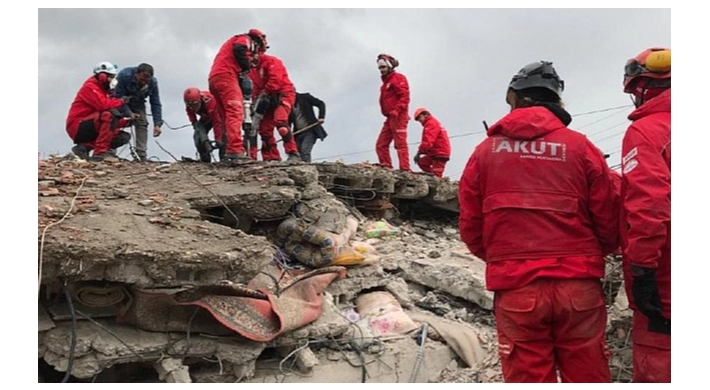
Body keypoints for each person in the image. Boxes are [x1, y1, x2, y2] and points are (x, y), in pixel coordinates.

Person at [458, 61, 620, 383]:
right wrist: (591, 254)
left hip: (518, 289)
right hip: (578, 286)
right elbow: (608, 216)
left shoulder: (485, 152)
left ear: (513, 98)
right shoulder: (580, 147)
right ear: (557, 102)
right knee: (588, 373)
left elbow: (470, 225)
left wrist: (503, 259)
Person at [619, 47, 671, 383]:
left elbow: (649, 201)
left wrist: (642, 269)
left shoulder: (648, 130)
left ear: (642, 88)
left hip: (667, 280)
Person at [208, 28, 267, 161]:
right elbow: (239, 48)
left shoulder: (231, 47)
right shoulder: (245, 39)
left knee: (225, 116)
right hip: (226, 76)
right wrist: (246, 67)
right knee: (235, 111)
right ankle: (235, 149)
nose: (256, 56)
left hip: (215, 79)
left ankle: (227, 150)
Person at [65, 62, 132, 161]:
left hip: (90, 123)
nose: (112, 80)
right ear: (102, 76)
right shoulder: (90, 87)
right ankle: (100, 153)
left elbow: (107, 123)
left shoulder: (104, 91)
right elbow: (103, 106)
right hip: (77, 125)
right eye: (111, 77)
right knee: (110, 114)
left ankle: (84, 148)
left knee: (122, 137)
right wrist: (120, 102)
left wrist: (128, 122)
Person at [251, 53, 300, 162]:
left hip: (283, 94)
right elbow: (254, 88)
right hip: (265, 99)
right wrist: (255, 102)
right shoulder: (252, 70)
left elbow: (276, 80)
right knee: (264, 130)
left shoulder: (271, 61)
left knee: (280, 122)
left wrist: (265, 92)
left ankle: (293, 153)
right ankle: (272, 157)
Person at [113, 63, 163, 162]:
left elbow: (155, 103)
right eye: (141, 79)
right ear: (136, 73)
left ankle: (141, 155)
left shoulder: (153, 83)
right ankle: (108, 151)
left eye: (146, 80)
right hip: (119, 101)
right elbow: (116, 96)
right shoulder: (124, 75)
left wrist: (157, 124)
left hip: (138, 103)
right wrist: (128, 113)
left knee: (142, 122)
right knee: (112, 118)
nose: (143, 82)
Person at [376, 53, 410, 172]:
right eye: (380, 68)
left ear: (390, 66)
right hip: (390, 117)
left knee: (400, 144)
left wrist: (397, 111)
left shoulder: (398, 78)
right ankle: (386, 166)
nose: (381, 70)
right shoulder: (386, 83)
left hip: (398, 116)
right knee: (381, 144)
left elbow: (405, 97)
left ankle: (405, 169)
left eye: (383, 67)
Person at [183, 87, 224, 162]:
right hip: (206, 117)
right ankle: (205, 159)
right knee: (198, 136)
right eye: (190, 106)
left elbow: (216, 122)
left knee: (223, 138)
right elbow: (190, 114)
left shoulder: (210, 102)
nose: (193, 108)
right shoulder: (189, 104)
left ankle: (224, 159)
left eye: (195, 105)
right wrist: (195, 124)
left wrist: (218, 139)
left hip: (218, 116)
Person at [412, 107, 451, 177]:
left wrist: (419, 152)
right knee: (422, 162)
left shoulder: (431, 124)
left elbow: (428, 142)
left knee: (437, 177)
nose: (420, 120)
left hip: (440, 153)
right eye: (418, 119)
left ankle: (435, 180)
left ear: (425, 115)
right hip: (435, 152)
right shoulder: (431, 123)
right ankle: (431, 177)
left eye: (420, 117)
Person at [289, 92, 327, 163]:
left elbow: (321, 103)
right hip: (298, 133)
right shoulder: (288, 104)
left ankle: (307, 169)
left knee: (305, 151)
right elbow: (288, 121)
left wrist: (321, 117)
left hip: (310, 130)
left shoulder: (305, 97)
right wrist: (287, 133)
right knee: (296, 153)